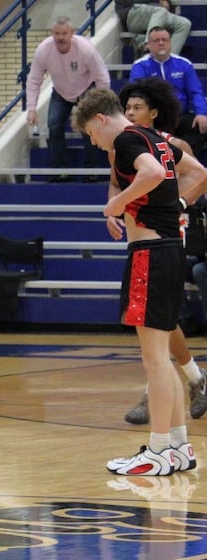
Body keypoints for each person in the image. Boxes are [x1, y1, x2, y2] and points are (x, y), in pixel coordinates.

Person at [72, 87, 206, 475]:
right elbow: (200, 173)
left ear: (100, 119)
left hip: (149, 253)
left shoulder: (128, 138)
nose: (96, 145)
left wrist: (117, 203)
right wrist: (177, 203)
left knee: (154, 359)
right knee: (162, 357)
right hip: (168, 251)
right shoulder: (155, 138)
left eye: (92, 136)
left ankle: (160, 449)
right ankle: (179, 447)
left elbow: (149, 174)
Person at [108, 78, 207, 425]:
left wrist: (183, 201)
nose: (131, 112)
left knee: (158, 318)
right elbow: (116, 182)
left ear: (154, 112)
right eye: (128, 107)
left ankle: (158, 395)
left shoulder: (171, 145)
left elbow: (202, 177)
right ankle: (193, 379)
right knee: (161, 318)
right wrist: (114, 208)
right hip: (140, 233)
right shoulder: (121, 145)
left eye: (138, 107)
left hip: (165, 233)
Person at [25, 16, 110, 182]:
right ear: (52, 34)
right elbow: (34, 79)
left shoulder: (85, 49)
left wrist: (100, 104)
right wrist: (31, 108)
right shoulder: (43, 50)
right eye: (57, 34)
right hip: (61, 91)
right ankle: (61, 169)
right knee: (54, 125)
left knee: (89, 127)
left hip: (87, 89)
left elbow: (103, 77)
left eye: (64, 33)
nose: (61, 38)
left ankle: (91, 170)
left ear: (72, 33)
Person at [130, 26, 207, 155]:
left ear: (170, 42)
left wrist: (202, 113)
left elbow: (196, 92)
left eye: (164, 40)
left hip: (180, 117)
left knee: (203, 126)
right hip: (154, 119)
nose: (161, 43)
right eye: (156, 40)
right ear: (148, 45)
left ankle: (178, 156)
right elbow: (136, 94)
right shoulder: (140, 66)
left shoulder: (184, 64)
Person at [115, 0, 191, 55]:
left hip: (161, 14)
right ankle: (148, 44)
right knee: (160, 11)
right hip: (134, 12)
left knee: (184, 24)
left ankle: (169, 60)